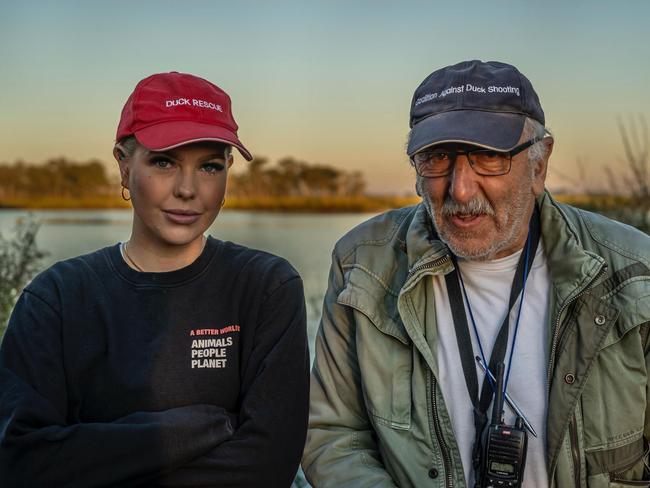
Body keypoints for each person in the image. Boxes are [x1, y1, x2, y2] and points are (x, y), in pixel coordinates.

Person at [303, 60, 650, 487]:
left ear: (539, 165)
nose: (460, 188)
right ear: (415, 170)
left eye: (488, 157)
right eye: (437, 158)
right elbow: (333, 435)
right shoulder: (360, 263)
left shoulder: (637, 272)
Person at [0, 71, 309, 487]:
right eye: (164, 162)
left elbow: (268, 467)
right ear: (124, 166)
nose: (188, 189)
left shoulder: (266, 287)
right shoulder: (56, 298)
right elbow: (21, 463)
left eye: (210, 166)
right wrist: (193, 429)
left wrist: (95, 459)